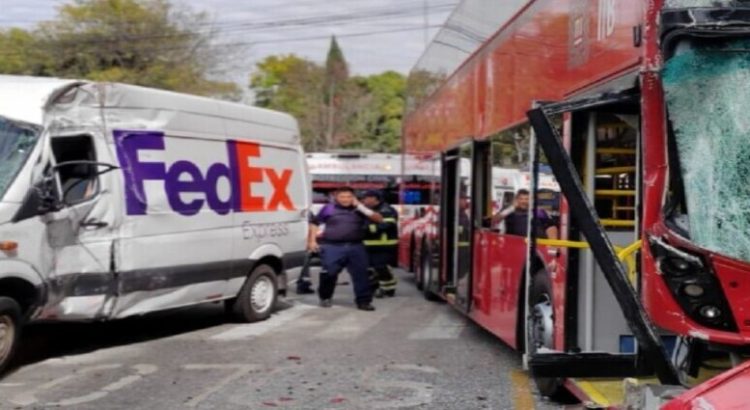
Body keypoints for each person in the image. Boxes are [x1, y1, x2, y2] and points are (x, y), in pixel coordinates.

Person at [308, 186, 384, 311]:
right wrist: (312, 241)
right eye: (342, 197)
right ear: (336, 197)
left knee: (361, 275)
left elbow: (379, 219)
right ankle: (325, 297)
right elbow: (315, 223)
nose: (345, 199)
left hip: (356, 247)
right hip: (332, 247)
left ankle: (364, 301)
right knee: (329, 273)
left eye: (349, 197)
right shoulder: (328, 208)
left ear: (353, 197)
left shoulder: (360, 209)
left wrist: (360, 206)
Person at [362, 190, 399, 298]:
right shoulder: (366, 210)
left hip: (384, 245)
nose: (364, 200)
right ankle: (374, 288)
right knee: (369, 268)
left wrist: (368, 228)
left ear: (374, 198)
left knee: (381, 267)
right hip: (368, 244)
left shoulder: (386, 209)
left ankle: (389, 289)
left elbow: (388, 224)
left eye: (366, 198)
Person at [492, 189, 559, 239]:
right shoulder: (509, 212)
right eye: (521, 199)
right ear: (516, 200)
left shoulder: (538, 212)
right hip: (513, 246)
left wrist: (552, 246)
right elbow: (494, 221)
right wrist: (512, 208)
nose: (524, 201)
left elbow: (551, 227)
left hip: (535, 247)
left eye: (527, 199)